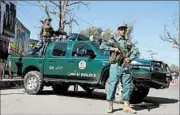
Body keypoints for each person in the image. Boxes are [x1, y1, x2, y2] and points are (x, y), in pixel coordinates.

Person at [100, 24, 136, 114]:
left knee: (127, 84)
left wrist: (130, 58)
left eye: (124, 29)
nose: (123, 31)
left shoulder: (129, 41)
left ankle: (126, 106)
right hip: (115, 65)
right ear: (118, 31)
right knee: (113, 84)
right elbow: (102, 46)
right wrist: (113, 49)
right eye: (121, 29)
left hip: (125, 65)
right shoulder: (113, 40)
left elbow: (135, 51)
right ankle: (110, 105)